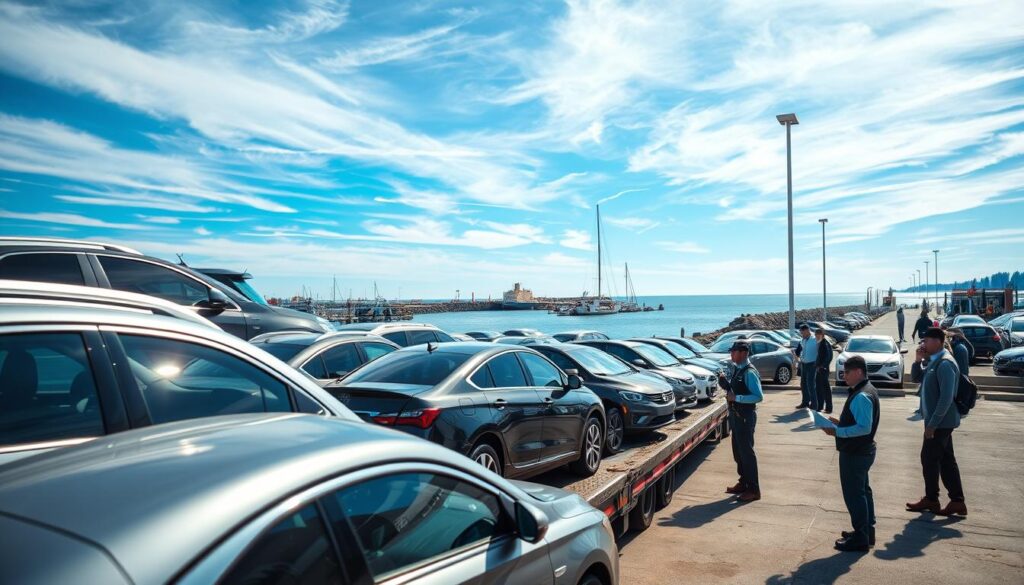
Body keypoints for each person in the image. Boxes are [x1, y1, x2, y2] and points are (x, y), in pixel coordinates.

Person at [906, 328, 967, 516]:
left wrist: (932, 424)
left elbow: (946, 398)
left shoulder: (945, 364)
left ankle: (932, 499)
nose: (923, 344)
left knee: (929, 459)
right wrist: (918, 361)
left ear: (938, 342)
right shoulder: (934, 361)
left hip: (940, 423)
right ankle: (957, 501)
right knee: (947, 460)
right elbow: (917, 378)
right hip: (938, 422)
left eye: (927, 341)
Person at [821, 355, 879, 552]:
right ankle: (866, 532)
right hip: (861, 451)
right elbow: (859, 423)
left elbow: (864, 427)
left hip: (856, 452)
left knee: (855, 495)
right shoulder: (865, 390)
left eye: (847, 372)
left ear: (859, 372)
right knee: (863, 492)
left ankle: (861, 537)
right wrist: (840, 422)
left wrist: (838, 431)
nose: (843, 375)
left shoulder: (862, 395)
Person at [718, 340, 763, 502]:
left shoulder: (749, 372)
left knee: (747, 454)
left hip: (745, 417)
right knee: (738, 452)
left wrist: (737, 397)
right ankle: (744, 482)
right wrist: (726, 385)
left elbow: (758, 396)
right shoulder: (739, 369)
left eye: (734, 352)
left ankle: (754, 489)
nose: (731, 354)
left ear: (743, 353)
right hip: (737, 417)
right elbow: (735, 390)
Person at [796, 324, 819, 410]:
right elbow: (799, 351)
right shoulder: (803, 340)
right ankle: (805, 402)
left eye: (803, 333)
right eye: (801, 333)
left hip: (812, 364)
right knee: (803, 384)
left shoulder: (815, 339)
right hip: (804, 364)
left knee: (811, 384)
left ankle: (814, 404)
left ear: (807, 331)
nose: (802, 335)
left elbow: (821, 352)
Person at [815, 328, 834, 413]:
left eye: (818, 335)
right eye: (816, 335)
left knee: (825, 389)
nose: (817, 337)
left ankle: (828, 408)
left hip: (823, 370)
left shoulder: (824, 344)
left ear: (822, 335)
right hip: (820, 369)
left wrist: (822, 366)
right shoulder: (820, 343)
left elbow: (829, 357)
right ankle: (820, 406)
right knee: (819, 388)